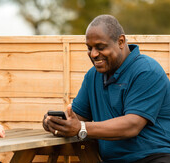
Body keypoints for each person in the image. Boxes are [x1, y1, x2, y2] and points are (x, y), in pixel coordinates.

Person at [43, 15, 170, 162]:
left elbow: (132, 125)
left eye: (100, 47)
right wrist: (55, 122)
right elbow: (77, 118)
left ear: (120, 41)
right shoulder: (93, 76)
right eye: (89, 48)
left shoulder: (146, 71)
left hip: (154, 157)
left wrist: (81, 128)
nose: (94, 54)